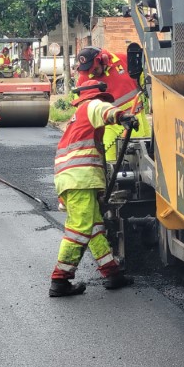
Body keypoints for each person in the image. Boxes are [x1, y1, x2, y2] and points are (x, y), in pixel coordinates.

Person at [50, 79, 138, 297]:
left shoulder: (76, 120)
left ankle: (112, 273)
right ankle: (60, 280)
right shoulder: (90, 106)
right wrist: (123, 116)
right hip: (80, 179)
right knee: (79, 229)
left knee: (95, 228)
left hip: (73, 179)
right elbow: (102, 108)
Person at [75, 46, 151, 162]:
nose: (92, 73)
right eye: (89, 70)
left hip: (134, 119)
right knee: (109, 162)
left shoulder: (123, 60)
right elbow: (82, 105)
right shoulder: (84, 78)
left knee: (141, 159)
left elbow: (143, 79)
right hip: (108, 126)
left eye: (94, 69)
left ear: (102, 59)